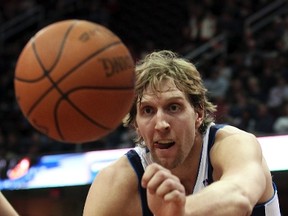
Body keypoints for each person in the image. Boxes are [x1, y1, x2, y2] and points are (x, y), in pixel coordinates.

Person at [83, 50, 281, 216]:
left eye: (173, 107)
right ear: (136, 124)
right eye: (148, 111)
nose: (161, 124)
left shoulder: (234, 144)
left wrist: (181, 211)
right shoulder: (116, 181)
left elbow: (240, 195)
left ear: (199, 114)